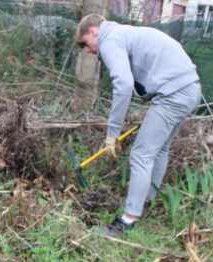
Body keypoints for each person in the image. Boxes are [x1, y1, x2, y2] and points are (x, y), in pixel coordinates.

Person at [75, 14, 201, 236]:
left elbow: (123, 84)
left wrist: (112, 134)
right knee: (158, 150)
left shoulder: (111, 39)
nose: (88, 50)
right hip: (190, 89)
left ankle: (128, 221)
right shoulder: (125, 33)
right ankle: (146, 202)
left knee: (141, 154)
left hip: (174, 94)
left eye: (86, 43)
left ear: (94, 32)